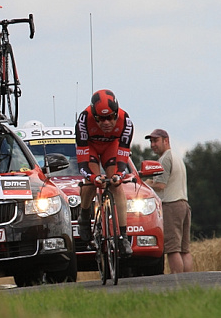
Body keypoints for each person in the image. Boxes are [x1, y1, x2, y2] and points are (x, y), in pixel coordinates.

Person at [75, 89, 134, 256]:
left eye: (111, 117)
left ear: (117, 113)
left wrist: (118, 175)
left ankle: (123, 237)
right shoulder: (83, 120)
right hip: (91, 148)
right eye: (101, 119)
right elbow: (82, 164)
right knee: (92, 184)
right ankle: (85, 216)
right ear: (94, 116)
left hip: (111, 147)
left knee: (117, 186)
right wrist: (93, 177)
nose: (107, 122)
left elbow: (122, 159)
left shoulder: (126, 122)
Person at [145, 129, 193, 273]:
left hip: (171, 205)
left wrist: (147, 183)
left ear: (166, 140)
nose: (153, 145)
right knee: (185, 249)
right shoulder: (177, 157)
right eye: (151, 142)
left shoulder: (165, 159)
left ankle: (177, 281)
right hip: (184, 204)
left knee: (172, 249)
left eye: (156, 141)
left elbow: (160, 185)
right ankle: (189, 281)